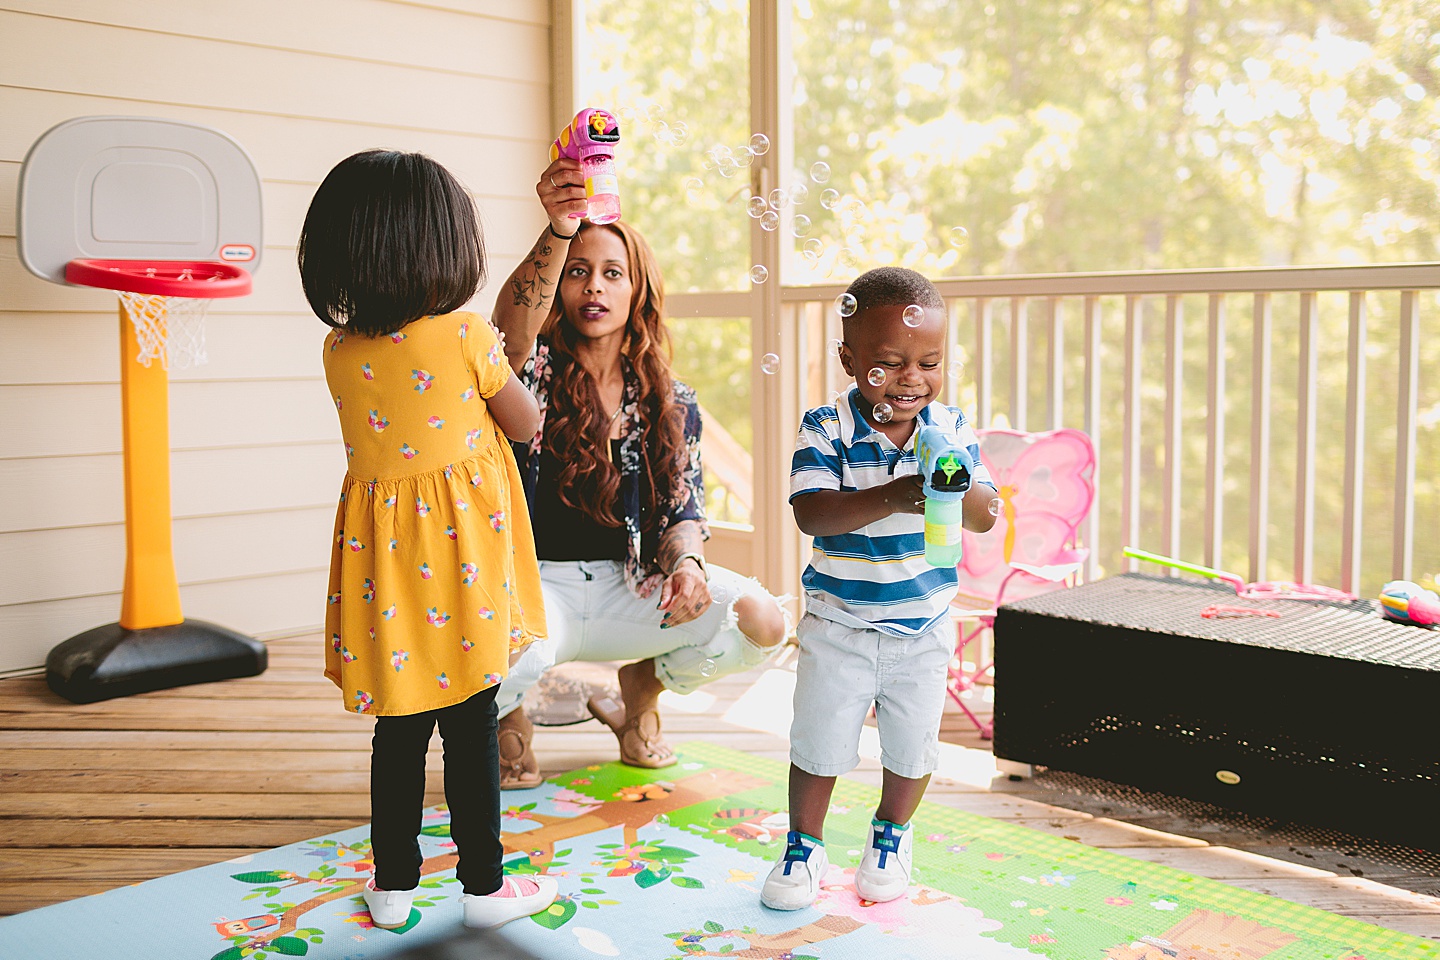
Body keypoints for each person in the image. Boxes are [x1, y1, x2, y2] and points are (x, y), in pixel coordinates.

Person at [300, 149, 558, 929]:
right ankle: (484, 889)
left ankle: (393, 886)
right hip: (460, 562)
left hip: (382, 568)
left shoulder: (340, 351)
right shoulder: (467, 337)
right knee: (471, 723)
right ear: (444, 248)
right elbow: (526, 423)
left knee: (400, 727)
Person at [485, 155, 790, 788]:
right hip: (541, 588)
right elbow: (508, 333)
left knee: (762, 619)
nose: (593, 287)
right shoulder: (530, 370)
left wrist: (688, 567)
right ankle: (510, 712)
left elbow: (685, 507)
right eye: (577, 272)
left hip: (634, 588)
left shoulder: (671, 400)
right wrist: (560, 229)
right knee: (495, 659)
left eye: (611, 273)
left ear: (636, 291)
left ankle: (641, 692)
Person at [760, 266, 999, 911]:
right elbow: (813, 513)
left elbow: (982, 516)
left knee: (915, 744)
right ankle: (803, 846)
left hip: (921, 625)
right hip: (838, 620)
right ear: (849, 358)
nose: (911, 379)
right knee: (818, 740)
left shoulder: (947, 429)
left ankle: (891, 835)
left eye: (929, 362)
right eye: (889, 363)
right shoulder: (826, 428)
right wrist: (899, 492)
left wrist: (951, 473)